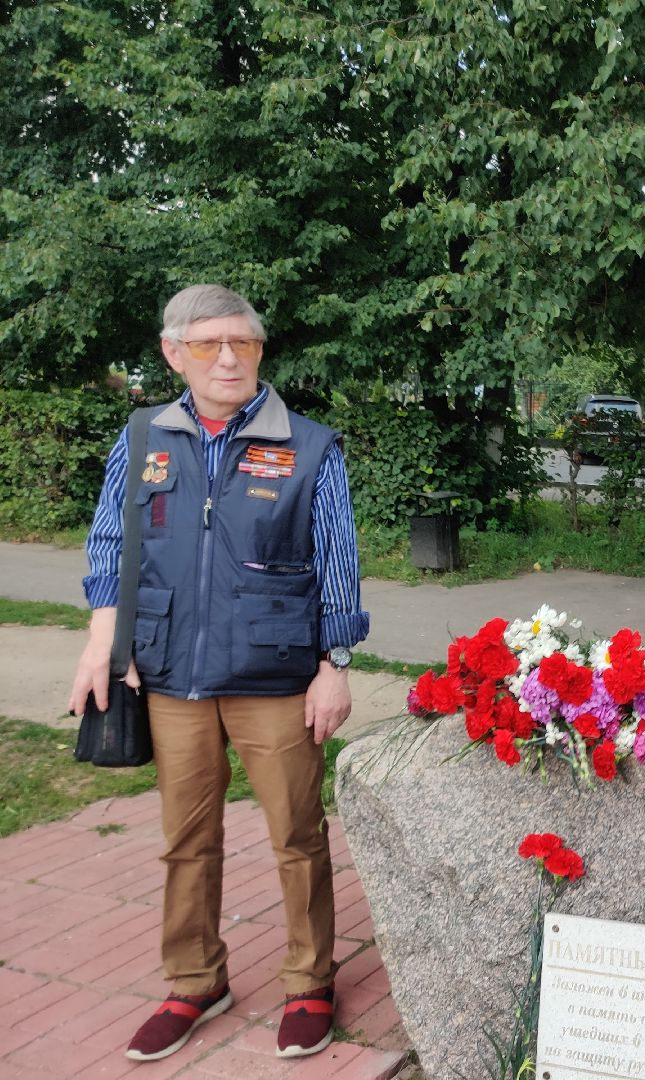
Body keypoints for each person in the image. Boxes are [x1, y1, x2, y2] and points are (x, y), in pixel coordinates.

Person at [68, 285, 369, 1062]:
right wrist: (103, 640)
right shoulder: (141, 439)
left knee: (297, 837)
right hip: (169, 675)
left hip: (275, 675)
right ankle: (196, 980)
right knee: (185, 840)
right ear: (175, 353)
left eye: (243, 343)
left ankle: (310, 981)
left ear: (260, 351)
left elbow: (339, 564)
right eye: (207, 344)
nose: (228, 358)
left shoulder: (310, 446)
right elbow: (110, 547)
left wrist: (335, 665)